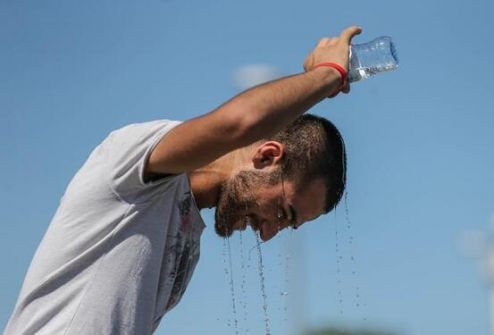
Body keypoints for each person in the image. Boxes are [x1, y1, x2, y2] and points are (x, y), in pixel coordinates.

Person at [4, 25, 362, 335]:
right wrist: (330, 73)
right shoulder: (135, 166)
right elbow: (240, 122)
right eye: (284, 213)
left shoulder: (188, 237)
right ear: (267, 157)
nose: (268, 235)